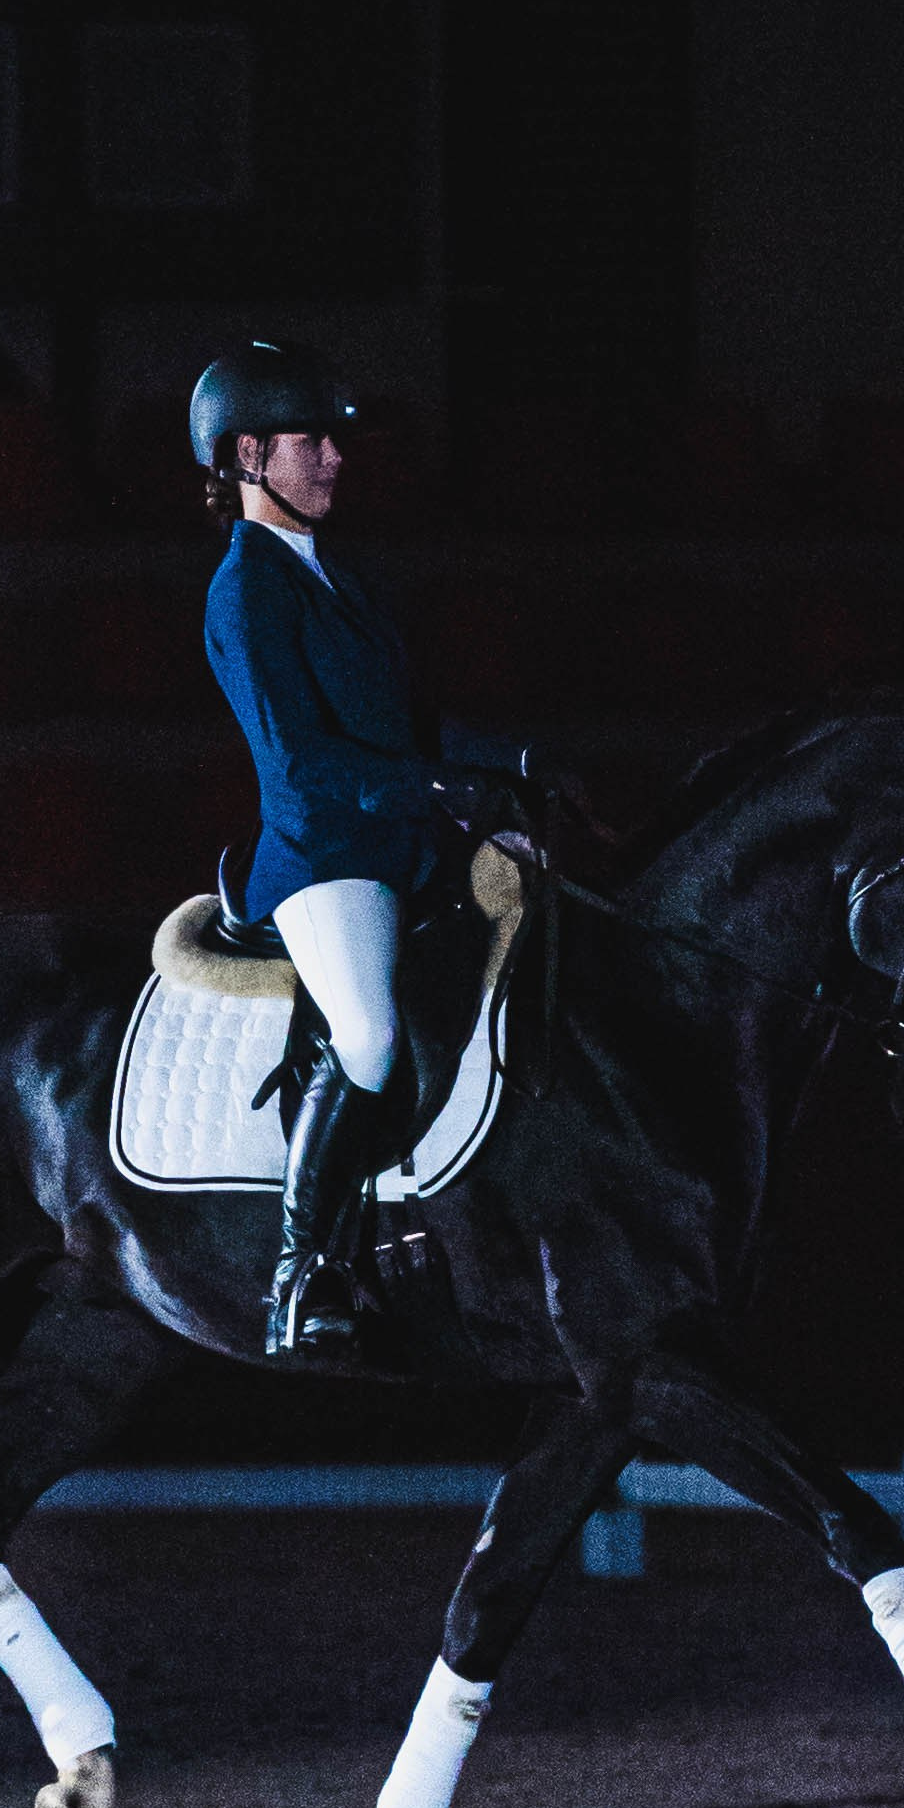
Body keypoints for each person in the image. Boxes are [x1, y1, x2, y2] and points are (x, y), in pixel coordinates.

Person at [190, 339, 538, 1362]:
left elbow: (405, 724)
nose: (336, 457)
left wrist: (512, 762)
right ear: (250, 455)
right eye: (314, 441)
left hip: (398, 841)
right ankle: (301, 1274)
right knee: (374, 1035)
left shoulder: (333, 574)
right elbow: (300, 762)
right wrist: (431, 788)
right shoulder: (248, 588)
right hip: (323, 855)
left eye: (336, 440)